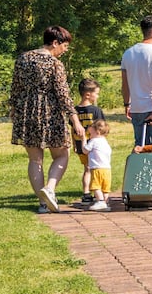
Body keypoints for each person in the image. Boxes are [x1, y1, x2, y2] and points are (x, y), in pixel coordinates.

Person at [8, 26, 86, 213]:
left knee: (35, 160)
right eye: (65, 45)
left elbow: (15, 88)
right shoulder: (54, 63)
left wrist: (14, 110)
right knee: (62, 154)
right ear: (55, 43)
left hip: (26, 112)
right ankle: (49, 189)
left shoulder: (23, 59)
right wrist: (75, 119)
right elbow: (63, 94)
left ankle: (42, 204)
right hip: (50, 112)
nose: (65, 50)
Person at [121, 15, 152, 147]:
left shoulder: (128, 54)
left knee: (140, 146)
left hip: (137, 108)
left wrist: (127, 104)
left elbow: (125, 85)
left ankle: (137, 168)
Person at [73, 78, 106, 204]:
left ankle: (86, 193)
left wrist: (74, 144)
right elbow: (102, 128)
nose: (97, 96)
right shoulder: (96, 111)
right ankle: (100, 191)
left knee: (86, 169)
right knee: (97, 168)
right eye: (96, 93)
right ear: (88, 94)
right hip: (95, 146)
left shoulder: (74, 111)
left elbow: (73, 129)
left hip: (81, 145)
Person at [82, 119, 113, 212]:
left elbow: (85, 151)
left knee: (96, 186)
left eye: (90, 134)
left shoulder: (94, 141)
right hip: (107, 169)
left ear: (97, 132)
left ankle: (100, 201)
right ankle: (106, 203)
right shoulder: (105, 142)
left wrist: (84, 140)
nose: (89, 136)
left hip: (97, 168)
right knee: (105, 188)